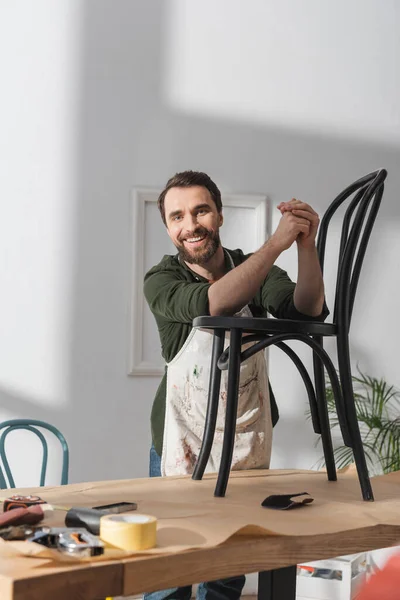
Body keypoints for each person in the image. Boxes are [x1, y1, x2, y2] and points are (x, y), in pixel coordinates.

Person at [143, 170, 328, 600]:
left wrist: (304, 247)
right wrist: (275, 244)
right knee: (169, 574)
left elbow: (306, 311)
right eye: (177, 216)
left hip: (243, 439)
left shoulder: (255, 268)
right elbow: (213, 304)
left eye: (200, 210)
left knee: (225, 575)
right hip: (179, 442)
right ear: (169, 227)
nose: (190, 224)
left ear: (220, 215)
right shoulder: (161, 279)